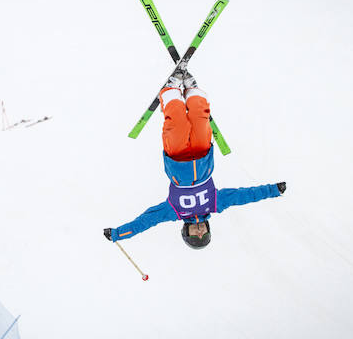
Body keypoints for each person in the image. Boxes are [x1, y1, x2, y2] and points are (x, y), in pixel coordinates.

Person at [102, 71, 285, 249]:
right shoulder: (215, 203)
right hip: (203, 152)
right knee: (200, 117)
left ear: (185, 231)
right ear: (208, 229)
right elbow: (244, 196)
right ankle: (192, 89)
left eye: (195, 236)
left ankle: (171, 90)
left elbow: (145, 221)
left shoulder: (174, 211)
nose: (200, 233)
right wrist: (273, 190)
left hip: (176, 156)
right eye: (204, 235)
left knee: (177, 123)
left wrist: (118, 233)